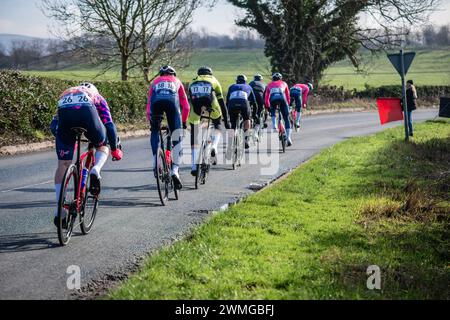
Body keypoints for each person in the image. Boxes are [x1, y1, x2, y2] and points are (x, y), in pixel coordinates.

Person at [50, 82, 123, 227]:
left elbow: (54, 126)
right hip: (87, 113)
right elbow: (108, 124)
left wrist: (69, 142)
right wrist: (115, 149)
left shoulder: (68, 92)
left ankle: (60, 209)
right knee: (103, 145)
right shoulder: (97, 97)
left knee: (63, 164)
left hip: (65, 114)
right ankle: (96, 169)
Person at [147, 65, 190, 189]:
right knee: (177, 138)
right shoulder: (177, 81)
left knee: (155, 131)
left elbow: (149, 103)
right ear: (173, 74)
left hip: (156, 103)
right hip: (172, 103)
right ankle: (175, 171)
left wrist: (151, 120)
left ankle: (155, 158)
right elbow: (186, 106)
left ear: (161, 74)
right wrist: (184, 122)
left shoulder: (154, 82)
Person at [188, 66, 230, 175]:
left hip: (196, 108)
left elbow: (189, 101)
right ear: (210, 73)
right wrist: (226, 120)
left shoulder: (193, 81)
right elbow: (221, 102)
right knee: (217, 124)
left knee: (194, 133)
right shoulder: (213, 80)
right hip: (212, 105)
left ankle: (193, 166)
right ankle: (214, 147)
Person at [226, 74, 256, 149]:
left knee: (233, 124)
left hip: (232, 104)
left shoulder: (231, 86)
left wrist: (227, 113)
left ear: (236, 81)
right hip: (244, 104)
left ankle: (231, 141)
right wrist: (254, 114)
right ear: (245, 81)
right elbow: (254, 102)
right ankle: (246, 139)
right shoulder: (248, 87)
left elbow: (227, 101)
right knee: (246, 119)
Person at [264, 73, 292, 146]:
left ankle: (274, 125)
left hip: (273, 99)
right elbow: (288, 95)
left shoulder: (269, 85)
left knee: (273, 109)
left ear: (273, 79)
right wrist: (288, 104)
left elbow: (266, 97)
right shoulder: (284, 83)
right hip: (282, 99)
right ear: (281, 79)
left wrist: (268, 106)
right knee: (286, 118)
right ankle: (288, 138)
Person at [249, 74, 267, 138]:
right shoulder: (264, 84)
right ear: (261, 79)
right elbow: (266, 94)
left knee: (249, 110)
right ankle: (256, 130)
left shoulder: (251, 82)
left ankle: (249, 119)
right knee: (259, 113)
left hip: (252, 97)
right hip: (260, 96)